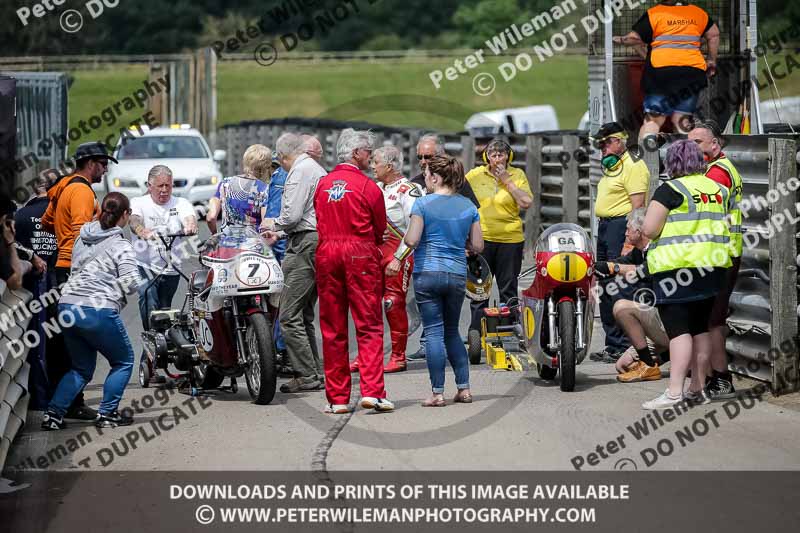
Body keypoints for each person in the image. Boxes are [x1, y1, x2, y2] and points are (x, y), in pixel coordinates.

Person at [641, 139, 731, 409]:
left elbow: (649, 229)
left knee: (678, 332)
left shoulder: (669, 190)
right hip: (711, 269)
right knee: (700, 329)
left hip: (676, 270)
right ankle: (698, 388)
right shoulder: (718, 190)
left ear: (672, 162)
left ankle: (673, 392)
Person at [309, 128, 393, 414]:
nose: (371, 157)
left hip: (327, 251)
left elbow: (318, 217)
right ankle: (373, 391)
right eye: (368, 152)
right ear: (357, 153)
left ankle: (338, 398)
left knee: (332, 326)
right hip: (359, 252)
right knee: (369, 323)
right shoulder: (368, 187)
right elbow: (380, 227)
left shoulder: (323, 184)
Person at [41, 193, 142, 430]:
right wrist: (110, 289)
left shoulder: (81, 237)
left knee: (81, 368)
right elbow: (132, 283)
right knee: (123, 361)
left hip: (67, 305)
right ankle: (107, 414)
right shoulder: (120, 245)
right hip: (97, 309)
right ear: (125, 215)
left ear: (100, 212)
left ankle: (53, 414)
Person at [41, 141, 115, 421]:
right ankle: (73, 403)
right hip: (74, 270)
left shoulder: (63, 188)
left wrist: (62, 237)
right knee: (78, 339)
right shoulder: (83, 191)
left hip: (59, 268)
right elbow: (85, 235)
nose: (105, 169)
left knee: (62, 337)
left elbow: (47, 221)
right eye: (103, 163)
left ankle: (61, 399)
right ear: (90, 163)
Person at [404, 154, 483, 407]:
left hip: (428, 273)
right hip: (456, 274)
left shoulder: (423, 205)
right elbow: (478, 245)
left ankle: (437, 392)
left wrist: (406, 236)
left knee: (434, 333)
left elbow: (413, 240)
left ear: (436, 177)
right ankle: (464, 388)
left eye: (426, 175)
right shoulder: (468, 207)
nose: (425, 179)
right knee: (452, 331)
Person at [350, 145, 424, 374]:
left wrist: (400, 258)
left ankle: (399, 356)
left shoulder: (409, 189)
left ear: (390, 166)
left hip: (397, 254)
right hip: (374, 254)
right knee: (367, 306)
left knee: (392, 303)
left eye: (376, 162)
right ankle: (366, 357)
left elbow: (416, 224)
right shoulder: (373, 188)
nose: (372, 166)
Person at [262, 133, 327, 393]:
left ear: (282, 157)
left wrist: (273, 224)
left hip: (305, 243)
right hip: (314, 239)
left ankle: (306, 374)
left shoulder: (299, 171)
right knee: (304, 312)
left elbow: (293, 215)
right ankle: (314, 370)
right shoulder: (315, 168)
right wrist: (280, 232)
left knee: (288, 315)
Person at [688, 121, 743, 400]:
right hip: (715, 254)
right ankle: (708, 377)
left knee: (713, 320)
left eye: (698, 142)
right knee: (707, 318)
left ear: (714, 144)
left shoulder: (718, 174)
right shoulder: (711, 169)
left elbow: (702, 211)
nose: (693, 147)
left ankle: (722, 379)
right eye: (689, 142)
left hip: (721, 255)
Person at [129, 165, 197, 383]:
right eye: (160, 186)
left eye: (168, 185)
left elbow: (190, 218)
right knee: (149, 304)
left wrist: (190, 226)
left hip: (170, 269)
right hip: (144, 266)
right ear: (150, 186)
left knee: (165, 315)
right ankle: (151, 360)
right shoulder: (139, 203)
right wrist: (143, 232)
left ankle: (163, 353)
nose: (164, 190)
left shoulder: (180, 203)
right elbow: (134, 221)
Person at [614, 0, 720, 138]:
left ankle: (646, 156)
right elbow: (714, 34)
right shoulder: (698, 13)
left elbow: (634, 39)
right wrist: (711, 60)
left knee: (653, 120)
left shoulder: (655, 13)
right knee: (681, 120)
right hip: (691, 74)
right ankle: (685, 156)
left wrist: (621, 39)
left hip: (661, 73)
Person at [590, 122, 650, 363]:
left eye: (605, 143)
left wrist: (628, 241)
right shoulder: (612, 167)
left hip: (619, 226)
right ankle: (612, 342)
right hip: (605, 226)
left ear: (618, 141)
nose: (601, 148)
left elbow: (637, 205)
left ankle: (624, 343)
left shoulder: (633, 166)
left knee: (617, 283)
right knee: (604, 282)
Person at [465, 138, 532, 338]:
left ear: (508, 157)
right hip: (482, 240)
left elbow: (526, 202)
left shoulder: (517, 175)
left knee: (508, 289)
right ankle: (476, 332)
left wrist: (507, 182)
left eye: (501, 155)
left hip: (510, 240)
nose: (497, 159)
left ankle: (510, 331)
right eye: (493, 155)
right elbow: (459, 196)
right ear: (486, 157)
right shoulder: (475, 175)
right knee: (479, 287)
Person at [593, 208, 670, 382]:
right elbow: (620, 263)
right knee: (623, 365)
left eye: (628, 229)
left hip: (668, 321)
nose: (625, 232)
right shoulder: (638, 252)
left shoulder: (658, 248)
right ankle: (666, 356)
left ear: (639, 231)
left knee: (621, 307)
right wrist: (594, 266)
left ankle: (650, 365)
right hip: (656, 324)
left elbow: (646, 271)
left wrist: (615, 268)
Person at [14, 176, 58, 409]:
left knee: (35, 342)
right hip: (59, 284)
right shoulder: (62, 212)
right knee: (60, 343)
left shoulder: (20, 216)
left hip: (30, 287)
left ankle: (38, 397)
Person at [205, 145, 271, 234]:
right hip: (252, 245)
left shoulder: (225, 184)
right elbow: (265, 227)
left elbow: (211, 217)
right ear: (266, 167)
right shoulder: (265, 190)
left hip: (226, 245)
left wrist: (215, 235)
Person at [266, 153, 289, 364]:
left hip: (275, 243)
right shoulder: (278, 178)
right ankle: (276, 347)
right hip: (272, 243)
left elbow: (273, 217)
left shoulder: (280, 178)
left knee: (278, 298)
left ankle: (277, 347)